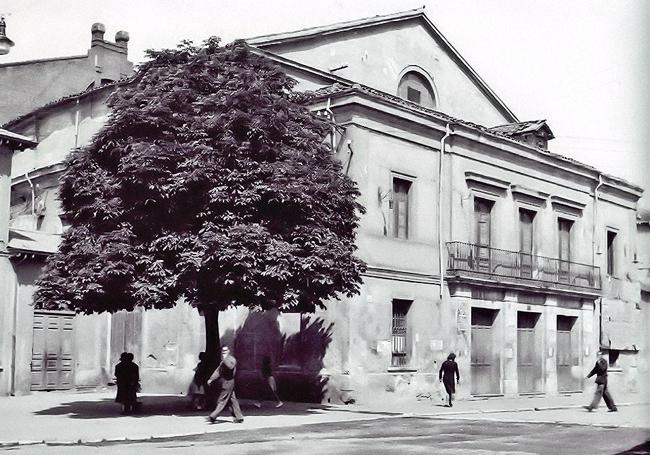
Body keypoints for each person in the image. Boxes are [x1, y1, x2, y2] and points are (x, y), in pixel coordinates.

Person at [206, 346, 244, 423]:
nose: (224, 352)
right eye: (222, 350)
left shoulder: (231, 359)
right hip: (226, 382)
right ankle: (239, 417)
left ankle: (213, 416)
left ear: (229, 351)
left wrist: (224, 359)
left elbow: (230, 367)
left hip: (229, 381)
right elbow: (218, 371)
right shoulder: (223, 361)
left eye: (225, 350)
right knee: (232, 400)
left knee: (222, 400)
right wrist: (211, 379)